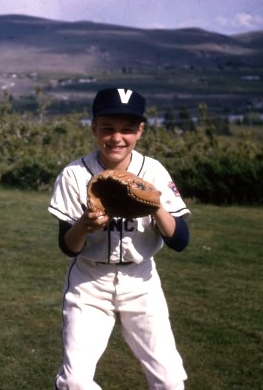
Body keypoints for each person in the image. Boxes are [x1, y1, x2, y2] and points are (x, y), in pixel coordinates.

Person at [48, 87, 191, 390]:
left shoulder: (152, 170)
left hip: (141, 283)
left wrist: (155, 205)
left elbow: (180, 240)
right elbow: (67, 246)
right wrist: (84, 226)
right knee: (74, 381)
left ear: (140, 130)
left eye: (127, 129)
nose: (116, 138)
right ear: (94, 128)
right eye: (108, 129)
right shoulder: (74, 174)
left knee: (169, 380)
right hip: (90, 281)